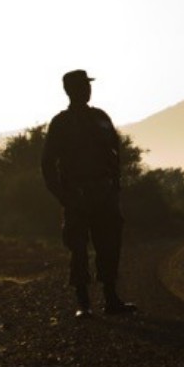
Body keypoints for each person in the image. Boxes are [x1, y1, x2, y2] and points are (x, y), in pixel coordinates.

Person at [41, 69, 136, 318]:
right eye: (82, 86)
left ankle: (111, 298)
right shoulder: (60, 123)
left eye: (87, 85)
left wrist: (115, 184)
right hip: (76, 194)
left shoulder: (100, 117)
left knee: (109, 244)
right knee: (78, 247)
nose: (87, 89)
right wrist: (63, 195)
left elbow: (115, 151)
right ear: (70, 90)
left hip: (104, 192)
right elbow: (48, 163)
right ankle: (83, 303)